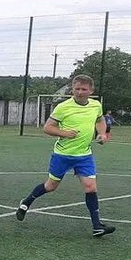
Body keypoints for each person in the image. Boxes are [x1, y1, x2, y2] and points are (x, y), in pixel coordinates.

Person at [16, 74, 114, 237]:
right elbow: (47, 127)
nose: (80, 92)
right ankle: (26, 202)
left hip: (84, 155)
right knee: (51, 186)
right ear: (72, 89)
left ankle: (97, 226)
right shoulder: (63, 107)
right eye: (77, 89)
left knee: (90, 187)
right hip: (63, 155)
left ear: (91, 91)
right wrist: (64, 133)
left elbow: (100, 120)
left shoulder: (96, 105)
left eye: (84, 89)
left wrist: (102, 134)